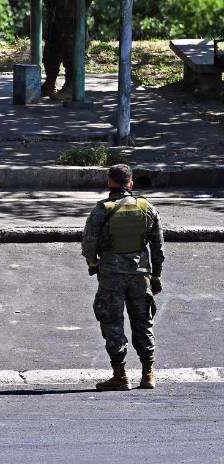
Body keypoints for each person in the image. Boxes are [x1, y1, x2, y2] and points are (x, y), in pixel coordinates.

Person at [82, 163, 165, 391]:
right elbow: (158, 247)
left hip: (111, 274)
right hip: (140, 275)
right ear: (131, 183)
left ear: (110, 182)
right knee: (143, 321)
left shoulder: (103, 209)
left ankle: (120, 375)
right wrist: (156, 275)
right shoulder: (147, 208)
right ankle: (148, 373)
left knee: (112, 322)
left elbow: (88, 244)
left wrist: (94, 264)